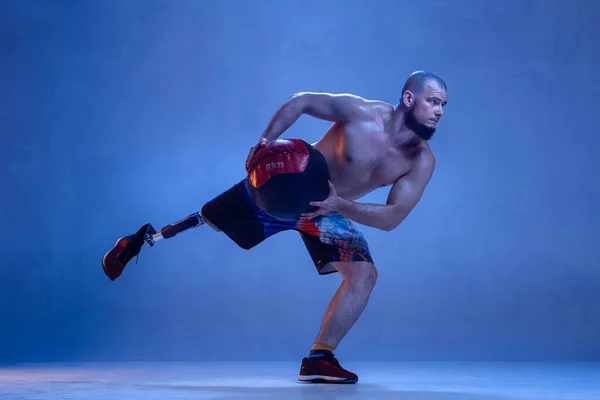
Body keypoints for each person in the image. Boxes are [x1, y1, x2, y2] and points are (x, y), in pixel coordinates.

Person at [101, 71, 448, 384]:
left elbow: (393, 217)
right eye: (433, 101)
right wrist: (265, 141)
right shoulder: (361, 113)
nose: (439, 111)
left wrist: (341, 206)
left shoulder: (420, 161)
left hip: (325, 211)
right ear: (408, 98)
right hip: (286, 183)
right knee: (209, 220)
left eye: (443, 105)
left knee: (364, 275)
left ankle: (319, 358)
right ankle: (140, 241)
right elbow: (302, 102)